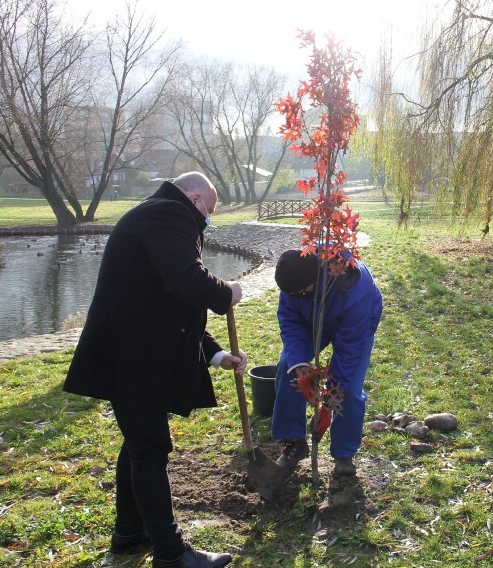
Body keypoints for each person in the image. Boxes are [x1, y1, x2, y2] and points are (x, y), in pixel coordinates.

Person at [63, 172, 244, 568]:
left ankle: (129, 532)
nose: (206, 221)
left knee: (138, 445)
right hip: (130, 355)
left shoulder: (156, 213)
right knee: (149, 449)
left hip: (130, 352)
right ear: (195, 199)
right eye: (208, 212)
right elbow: (186, 282)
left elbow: (165, 300)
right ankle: (170, 554)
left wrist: (214, 354)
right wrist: (226, 292)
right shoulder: (168, 215)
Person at [271, 249, 383, 477]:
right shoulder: (294, 277)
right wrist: (300, 364)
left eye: (301, 292)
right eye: (291, 293)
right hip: (312, 322)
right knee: (288, 368)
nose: (295, 295)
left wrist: (328, 404)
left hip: (356, 327)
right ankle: (294, 441)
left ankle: (343, 454)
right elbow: (290, 320)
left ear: (316, 277)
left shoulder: (353, 285)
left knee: (348, 390)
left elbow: (349, 352)